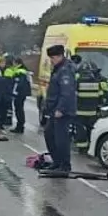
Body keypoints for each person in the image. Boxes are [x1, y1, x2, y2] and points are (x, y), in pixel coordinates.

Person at [41, 44, 76, 173]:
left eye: (53, 58)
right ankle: (57, 162)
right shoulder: (58, 68)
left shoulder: (65, 70)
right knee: (49, 134)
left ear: (60, 56)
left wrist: (60, 109)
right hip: (54, 109)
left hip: (63, 111)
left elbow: (66, 92)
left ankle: (64, 165)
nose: (51, 60)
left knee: (61, 139)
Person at [8, 57, 31, 133]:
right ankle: (20, 125)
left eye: (14, 63)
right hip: (22, 93)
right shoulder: (23, 71)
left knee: (19, 110)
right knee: (19, 109)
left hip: (19, 94)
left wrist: (15, 92)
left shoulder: (20, 72)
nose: (13, 64)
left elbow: (18, 84)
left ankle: (20, 126)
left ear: (18, 63)